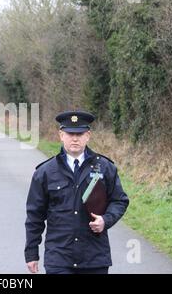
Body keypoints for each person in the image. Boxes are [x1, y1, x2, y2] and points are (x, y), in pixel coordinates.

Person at [25, 110, 129, 274]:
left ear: (88, 135)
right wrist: (31, 253)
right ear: (61, 135)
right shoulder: (45, 172)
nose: (75, 138)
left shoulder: (105, 167)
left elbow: (119, 200)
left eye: (79, 134)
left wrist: (105, 220)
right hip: (59, 258)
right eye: (70, 133)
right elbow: (34, 216)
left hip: (94, 258)